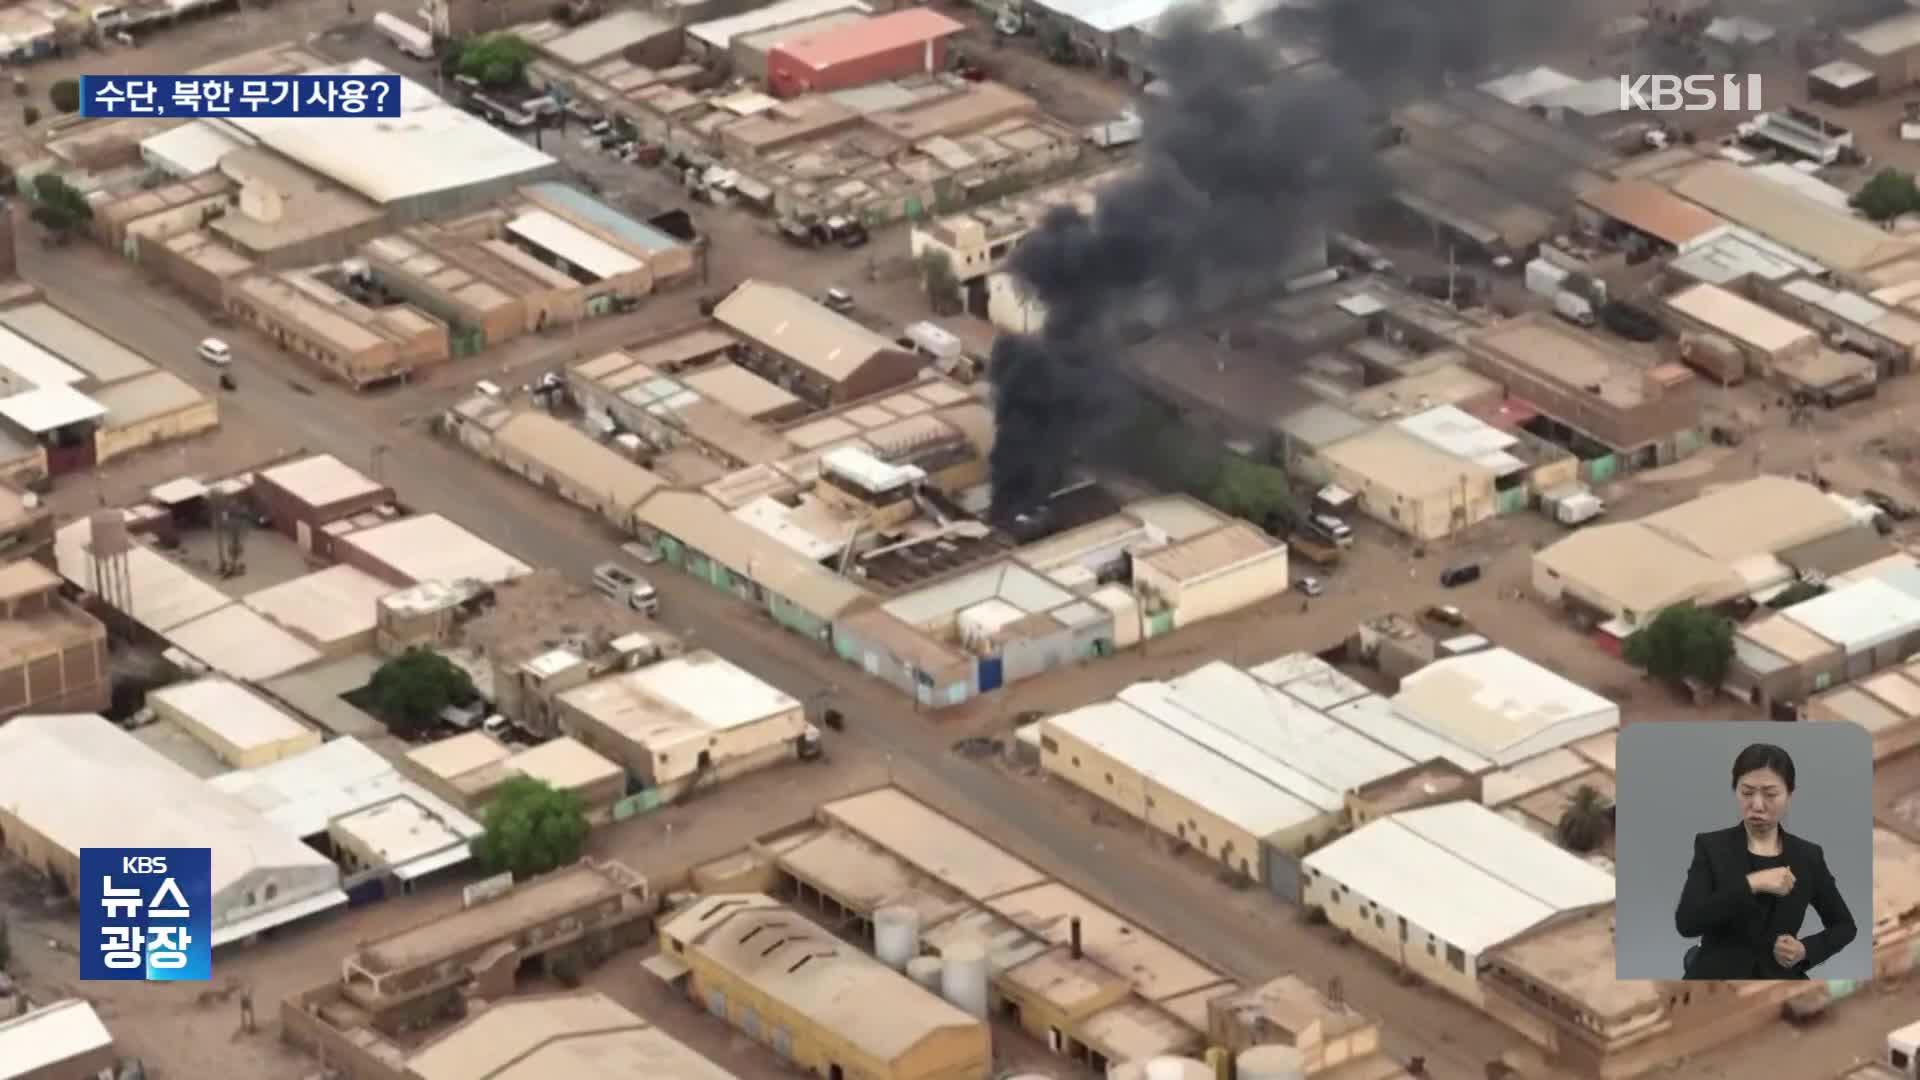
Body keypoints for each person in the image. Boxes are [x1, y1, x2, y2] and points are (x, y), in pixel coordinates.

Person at [1674, 743, 1855, 980]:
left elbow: (1844, 926)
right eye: (1747, 793)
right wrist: (1752, 883)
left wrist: (1805, 950)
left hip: (1780, 979)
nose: (1757, 805)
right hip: (1716, 979)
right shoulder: (1711, 847)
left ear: (1790, 794)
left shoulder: (1808, 856)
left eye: (1770, 794)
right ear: (1735, 790)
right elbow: (1687, 922)